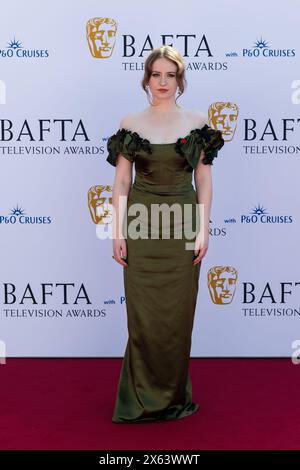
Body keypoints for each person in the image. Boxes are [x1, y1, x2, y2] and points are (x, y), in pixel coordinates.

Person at [106, 45, 224, 423]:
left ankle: (171, 397)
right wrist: (117, 230)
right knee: (143, 316)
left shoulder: (196, 121)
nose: (162, 82)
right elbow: (122, 180)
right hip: (141, 225)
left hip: (183, 224)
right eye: (156, 75)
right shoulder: (130, 123)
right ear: (146, 79)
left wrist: (204, 227)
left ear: (179, 80)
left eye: (170, 75)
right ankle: (138, 399)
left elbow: (203, 180)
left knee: (176, 316)